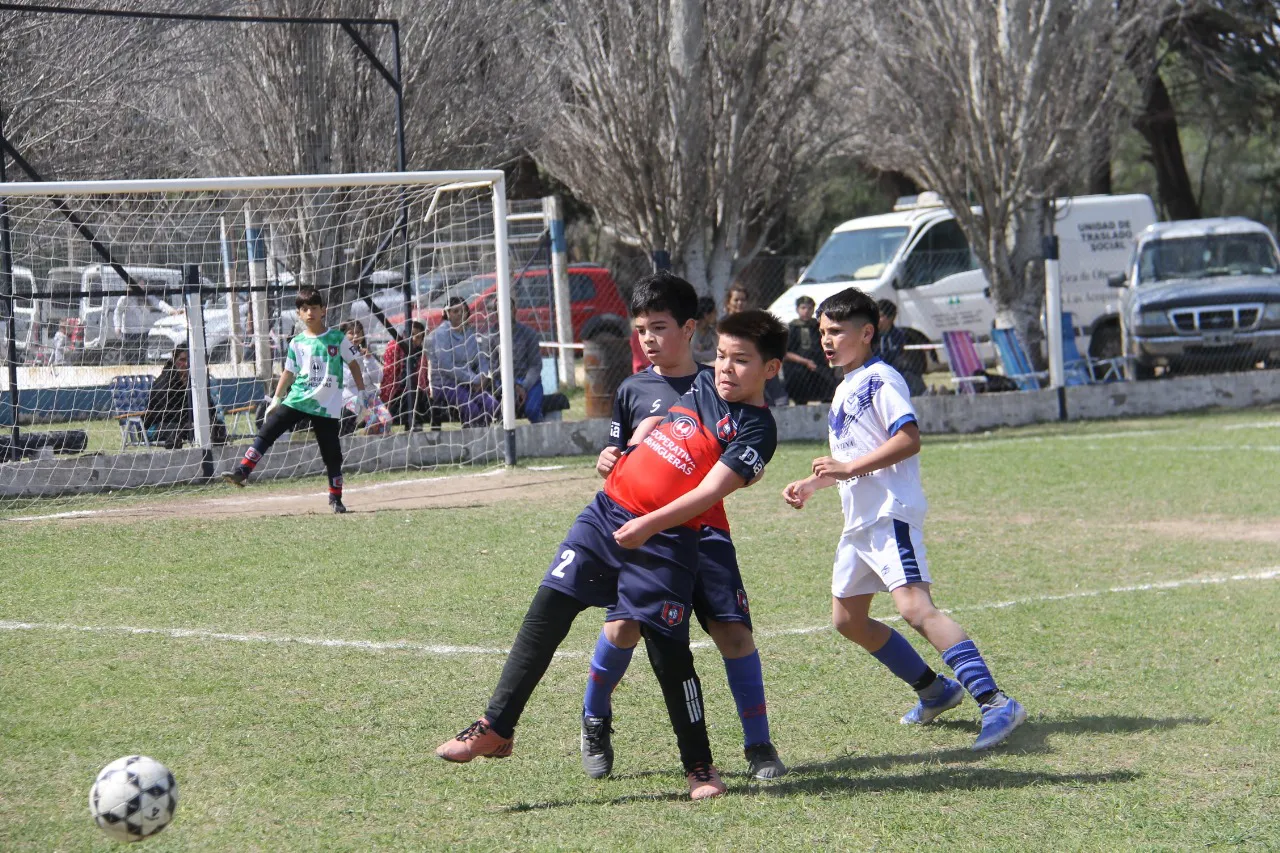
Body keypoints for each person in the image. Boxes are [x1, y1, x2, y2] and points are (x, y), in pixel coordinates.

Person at [436, 308, 787, 801]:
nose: (725, 368)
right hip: (604, 514)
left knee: (670, 654)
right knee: (546, 611)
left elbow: (710, 493)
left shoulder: (757, 429)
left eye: (742, 361)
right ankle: (496, 726)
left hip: (665, 540)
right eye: (722, 356)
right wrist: (644, 435)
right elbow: (670, 415)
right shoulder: (704, 383)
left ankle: (700, 767)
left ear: (770, 369)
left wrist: (650, 524)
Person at [781, 288, 1026, 751]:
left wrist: (848, 468)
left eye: (836, 332)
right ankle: (935, 690)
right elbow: (854, 458)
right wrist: (817, 483)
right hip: (860, 523)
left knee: (915, 608)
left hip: (890, 515)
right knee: (848, 619)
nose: (826, 341)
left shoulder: (882, 379)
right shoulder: (844, 388)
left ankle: (996, 702)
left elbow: (908, 439)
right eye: (822, 333)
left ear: (867, 332)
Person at [585, 272, 786, 782]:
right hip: (646, 528)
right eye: (642, 330)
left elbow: (739, 465)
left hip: (705, 530)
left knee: (733, 632)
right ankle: (594, 718)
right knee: (622, 625)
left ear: (690, 329)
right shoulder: (633, 389)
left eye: (659, 327)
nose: (649, 338)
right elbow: (631, 449)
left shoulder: (715, 383)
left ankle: (759, 746)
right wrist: (612, 458)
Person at [221, 287, 378, 514]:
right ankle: (243, 471)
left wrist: (362, 393)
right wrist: (276, 397)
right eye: (305, 309)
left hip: (326, 406)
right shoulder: (297, 342)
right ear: (298, 313)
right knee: (269, 429)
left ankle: (336, 498)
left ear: (323, 310)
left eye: (314, 308)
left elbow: (354, 364)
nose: (310, 313)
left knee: (332, 453)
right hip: (298, 398)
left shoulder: (337, 338)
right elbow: (289, 371)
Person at [427, 296, 498, 427]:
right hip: (446, 384)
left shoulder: (471, 333)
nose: (460, 314)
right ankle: (470, 440)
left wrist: (482, 376)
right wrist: (473, 379)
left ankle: (483, 439)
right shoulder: (441, 334)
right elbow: (446, 366)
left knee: (492, 405)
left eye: (462, 310)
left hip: (470, 382)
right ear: (446, 314)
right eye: (455, 311)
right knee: (473, 410)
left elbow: (481, 358)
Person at [142, 344, 227, 449]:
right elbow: (163, 415)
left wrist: (207, 421)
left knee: (216, 426)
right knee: (175, 429)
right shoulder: (164, 383)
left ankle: (216, 458)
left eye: (189, 360)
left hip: (187, 424)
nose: (186, 364)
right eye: (182, 360)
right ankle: (175, 461)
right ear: (174, 360)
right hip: (156, 426)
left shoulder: (196, 380)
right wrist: (189, 422)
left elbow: (209, 408)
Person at [480, 295, 547, 423]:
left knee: (532, 409)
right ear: (495, 313)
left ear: (515, 310)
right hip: (501, 383)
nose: (505, 312)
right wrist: (512, 385)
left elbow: (535, 365)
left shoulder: (529, 334)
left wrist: (523, 385)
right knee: (501, 409)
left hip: (529, 382)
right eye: (500, 309)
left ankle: (541, 438)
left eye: (508, 308)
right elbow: (493, 368)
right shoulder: (488, 337)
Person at [726, 283, 788, 407]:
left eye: (743, 300)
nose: (740, 303)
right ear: (728, 302)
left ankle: (779, 400)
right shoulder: (724, 324)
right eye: (736, 300)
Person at [783, 295, 837, 404]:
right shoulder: (792, 327)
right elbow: (786, 353)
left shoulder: (818, 327)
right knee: (799, 385)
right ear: (797, 309)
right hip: (798, 366)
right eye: (803, 308)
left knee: (829, 386)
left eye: (809, 308)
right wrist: (806, 362)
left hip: (819, 364)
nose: (806, 311)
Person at [379, 320, 428, 429]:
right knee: (410, 392)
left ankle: (416, 426)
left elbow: (423, 381)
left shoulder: (421, 354)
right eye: (412, 334)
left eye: (419, 337)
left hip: (414, 397)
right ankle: (414, 424)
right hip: (394, 398)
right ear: (405, 334)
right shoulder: (395, 347)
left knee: (420, 396)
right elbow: (390, 377)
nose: (415, 339)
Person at [340, 320, 386, 435]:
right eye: (351, 333)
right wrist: (362, 366)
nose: (355, 336)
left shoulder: (365, 353)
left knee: (386, 420)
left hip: (370, 398)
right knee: (373, 420)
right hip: (351, 399)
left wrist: (369, 360)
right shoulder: (339, 355)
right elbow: (350, 380)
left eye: (358, 332)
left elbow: (378, 378)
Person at [876, 299, 926, 396]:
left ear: (890, 318)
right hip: (876, 372)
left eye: (881, 316)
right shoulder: (870, 337)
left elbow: (901, 356)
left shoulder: (899, 336)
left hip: (896, 371)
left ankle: (927, 394)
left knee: (909, 376)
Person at [114, 289, 177, 362]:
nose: (142, 287)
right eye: (139, 286)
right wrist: (117, 326)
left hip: (143, 332)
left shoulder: (147, 296)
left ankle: (140, 370)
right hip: (129, 333)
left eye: (143, 286)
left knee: (142, 357)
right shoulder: (125, 298)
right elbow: (117, 312)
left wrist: (172, 311)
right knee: (130, 357)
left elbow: (159, 303)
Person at [690, 296, 718, 365]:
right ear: (706, 315)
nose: (716, 314)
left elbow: (717, 354)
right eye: (714, 312)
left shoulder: (712, 333)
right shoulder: (690, 332)